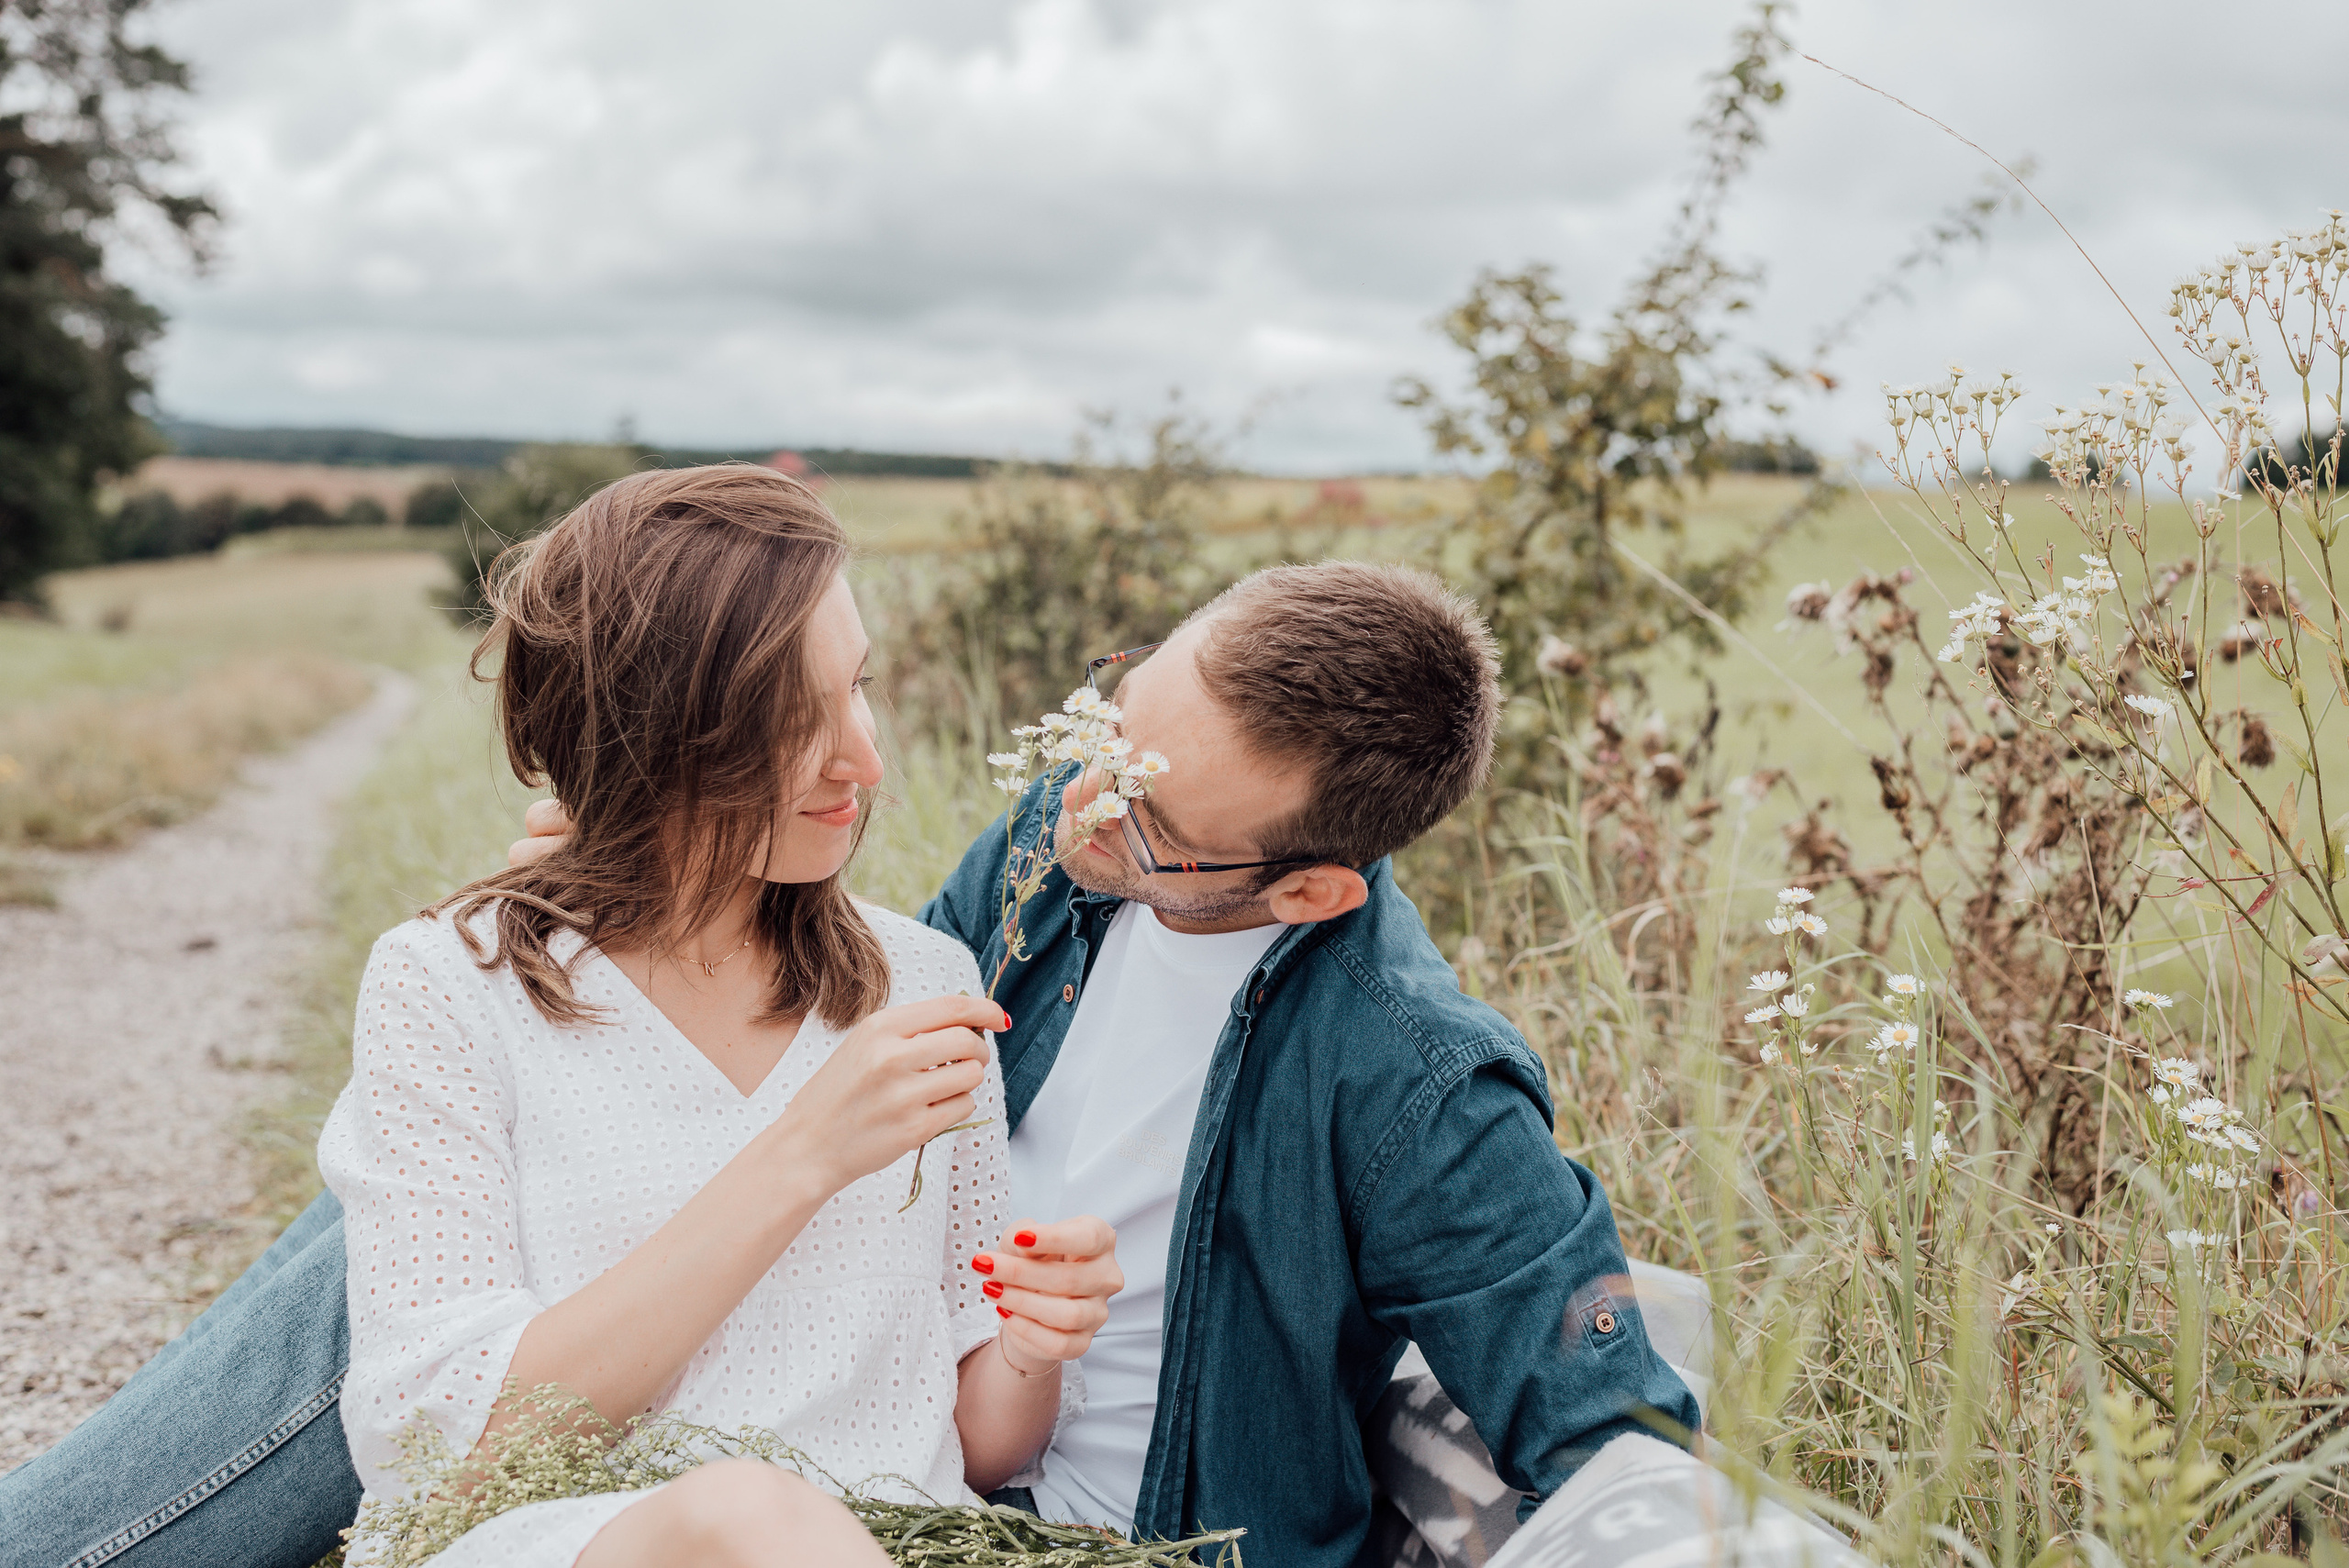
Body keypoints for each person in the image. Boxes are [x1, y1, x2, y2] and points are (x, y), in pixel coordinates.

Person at [0, 539, 1698, 1568]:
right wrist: (639, 832)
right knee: (449, 1129)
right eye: (1106, 733)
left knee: (418, 1250)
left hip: (1036, 1505)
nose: (1087, 808)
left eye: (1153, 813)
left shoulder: (1420, 1083)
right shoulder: (1067, 871)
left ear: (1311, 884)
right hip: (842, 1412)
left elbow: (1613, 1419)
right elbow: (815, 957)